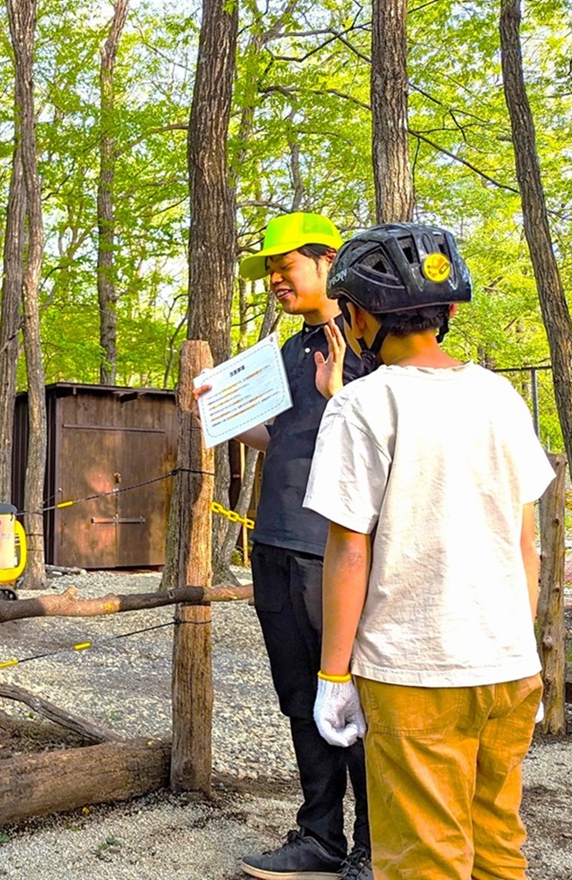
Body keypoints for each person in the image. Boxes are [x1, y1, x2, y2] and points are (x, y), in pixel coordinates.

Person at [303, 222, 551, 880]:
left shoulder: (360, 405)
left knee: (423, 859)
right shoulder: (499, 397)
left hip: (416, 674)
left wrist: (331, 678)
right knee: (497, 843)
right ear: (441, 314)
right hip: (506, 671)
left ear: (358, 315)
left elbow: (348, 550)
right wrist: (521, 649)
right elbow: (524, 542)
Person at [226, 211, 373, 880]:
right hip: (275, 542)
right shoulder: (289, 350)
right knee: (298, 698)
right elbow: (280, 434)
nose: (276, 280)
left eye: (285, 265)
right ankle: (319, 836)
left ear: (326, 261)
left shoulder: (371, 339)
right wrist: (219, 414)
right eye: (269, 271)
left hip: (334, 551)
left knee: (352, 702)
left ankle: (377, 846)